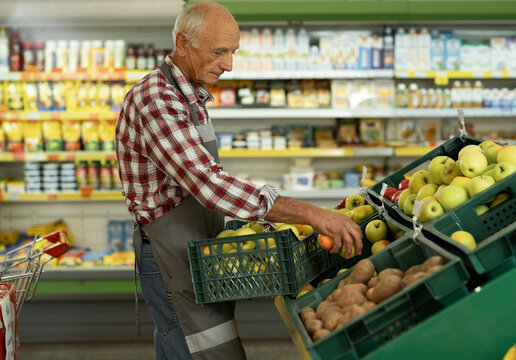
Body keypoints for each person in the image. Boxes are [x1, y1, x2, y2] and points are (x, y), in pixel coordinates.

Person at [115, 1, 363, 359]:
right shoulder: (158, 100)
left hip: (193, 247)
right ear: (182, 43)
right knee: (202, 348)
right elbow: (208, 182)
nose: (229, 64)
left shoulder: (190, 94)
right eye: (219, 52)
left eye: (232, 52)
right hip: (171, 254)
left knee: (183, 343)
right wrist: (310, 213)